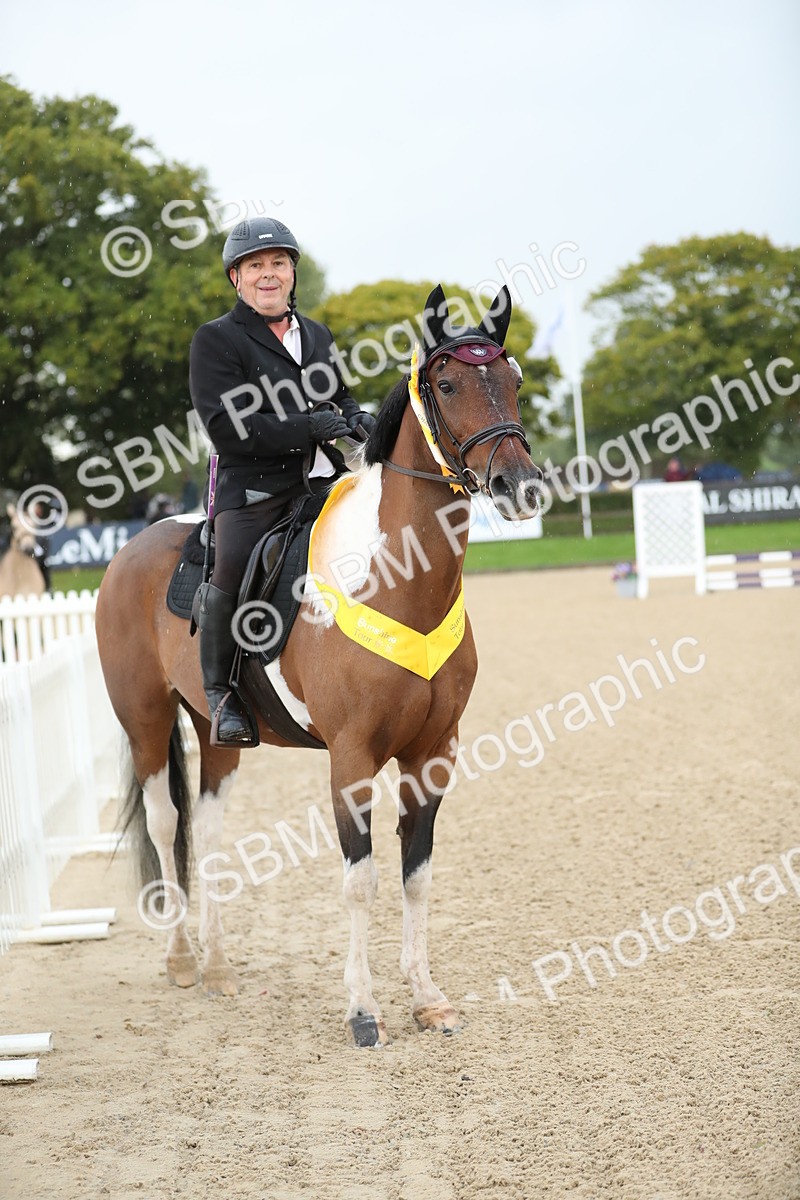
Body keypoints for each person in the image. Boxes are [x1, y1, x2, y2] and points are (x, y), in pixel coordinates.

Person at [189, 218, 375, 746]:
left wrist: (358, 421)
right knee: (232, 563)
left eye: (278, 263)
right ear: (236, 278)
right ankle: (221, 693)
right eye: (255, 266)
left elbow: (338, 396)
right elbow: (228, 427)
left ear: (292, 272)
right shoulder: (217, 340)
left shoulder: (315, 334)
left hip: (321, 482)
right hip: (253, 491)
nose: (267, 275)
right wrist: (307, 428)